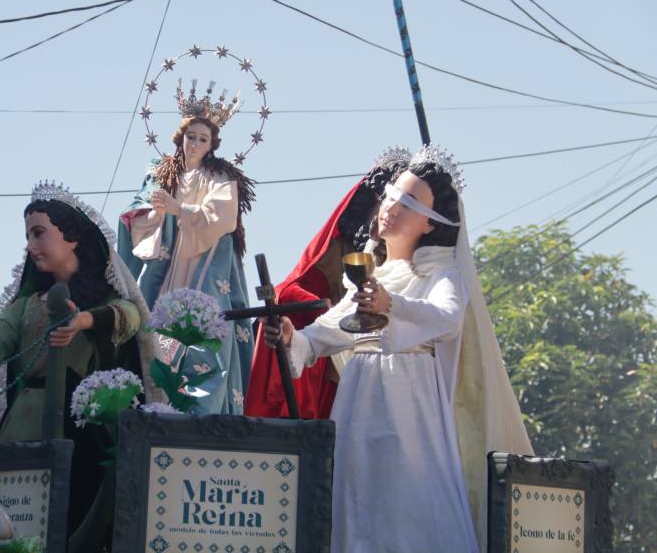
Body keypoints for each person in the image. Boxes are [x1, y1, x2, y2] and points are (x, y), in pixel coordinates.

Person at [265, 146, 532, 553]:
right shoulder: (372, 272)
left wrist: (394, 305)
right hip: (359, 401)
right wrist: (293, 339)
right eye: (391, 195)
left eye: (408, 202)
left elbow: (446, 317)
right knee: (357, 498)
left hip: (409, 402)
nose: (391, 207)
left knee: (404, 505)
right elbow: (326, 333)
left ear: (430, 223)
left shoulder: (443, 272)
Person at [0, 181, 161, 549]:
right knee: (13, 516)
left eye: (39, 234)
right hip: (22, 425)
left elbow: (129, 317)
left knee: (77, 519)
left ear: (73, 237)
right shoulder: (27, 307)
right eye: (28, 236)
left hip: (81, 430)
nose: (30, 246)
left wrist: (83, 322)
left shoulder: (104, 301)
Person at [117, 80, 256, 414]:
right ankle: (162, 401)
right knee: (158, 336)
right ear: (180, 139)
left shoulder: (221, 176)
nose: (195, 143)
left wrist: (180, 210)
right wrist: (154, 212)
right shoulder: (161, 172)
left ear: (212, 145)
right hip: (166, 268)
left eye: (202, 139)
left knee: (205, 338)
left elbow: (222, 218)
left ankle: (200, 411)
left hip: (203, 264)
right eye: (190, 136)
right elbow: (137, 211)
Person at [244, 148, 406, 419]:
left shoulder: (415, 262)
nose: (389, 212)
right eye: (386, 201)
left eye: (402, 204)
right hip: (337, 355)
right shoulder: (345, 247)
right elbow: (294, 289)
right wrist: (320, 311)